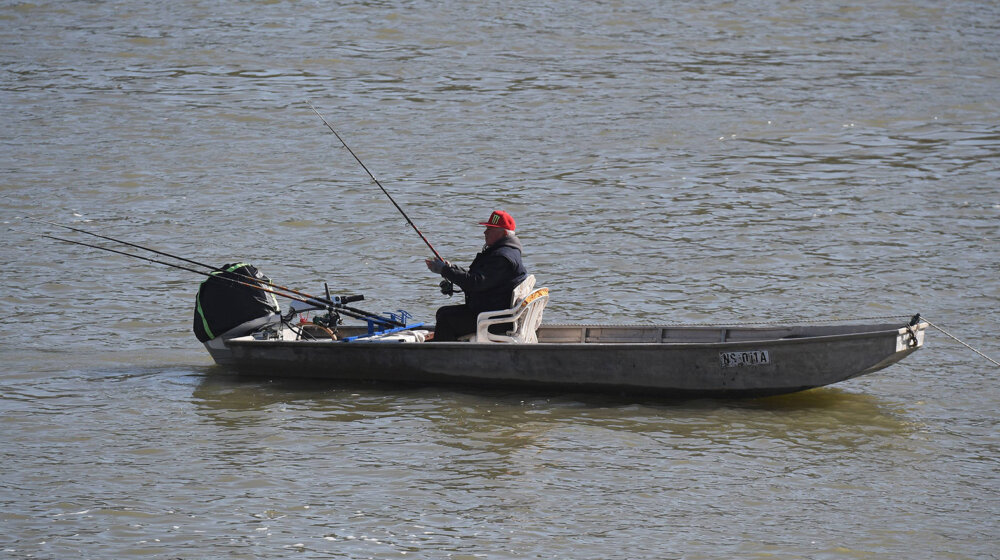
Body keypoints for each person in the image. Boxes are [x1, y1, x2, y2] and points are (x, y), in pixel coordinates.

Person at [425, 210, 528, 341]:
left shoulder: (502, 257)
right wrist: (451, 269)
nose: (485, 232)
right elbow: (478, 278)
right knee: (443, 312)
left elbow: (475, 283)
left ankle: (444, 356)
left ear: (503, 233)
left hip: (495, 319)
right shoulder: (505, 251)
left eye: (490, 229)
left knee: (446, 319)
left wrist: (445, 271)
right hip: (493, 309)